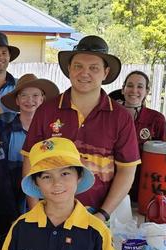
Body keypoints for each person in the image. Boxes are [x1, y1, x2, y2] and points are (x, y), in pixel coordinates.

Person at [22, 35, 141, 222]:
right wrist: (36, 210)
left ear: (105, 72)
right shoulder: (46, 111)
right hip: (51, 215)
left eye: (94, 68)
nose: (84, 73)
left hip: (98, 215)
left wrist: (103, 214)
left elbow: (127, 171)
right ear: (69, 69)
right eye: (78, 66)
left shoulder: (120, 117)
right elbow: (30, 159)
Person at [0, 74, 59, 250]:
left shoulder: (53, 133)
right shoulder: (4, 130)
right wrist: (12, 213)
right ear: (17, 100)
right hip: (9, 198)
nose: (30, 100)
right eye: (24, 95)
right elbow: (0, 175)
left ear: (43, 98)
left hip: (43, 195)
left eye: (35, 95)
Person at [109, 71, 166, 202]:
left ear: (147, 91)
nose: (134, 90)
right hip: (112, 183)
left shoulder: (156, 119)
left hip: (143, 184)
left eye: (140, 86)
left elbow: (160, 158)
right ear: (123, 89)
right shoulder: (109, 115)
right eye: (130, 85)